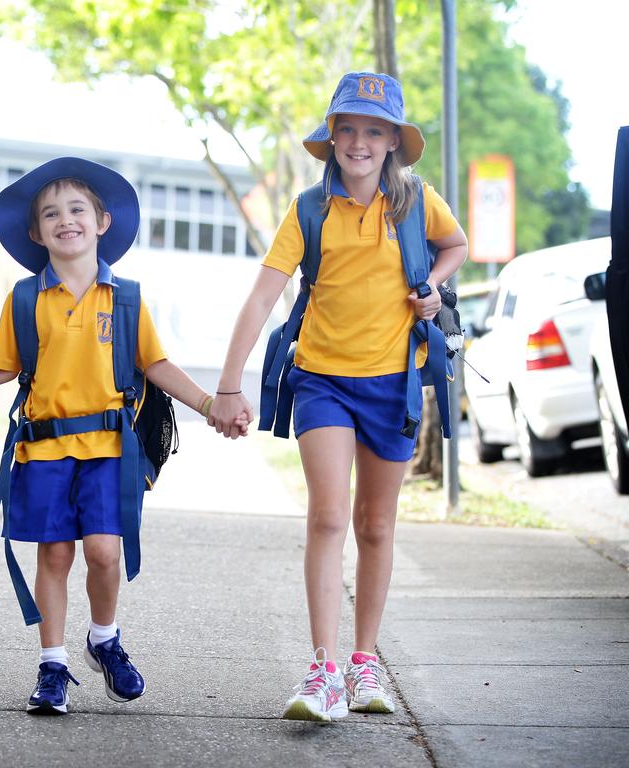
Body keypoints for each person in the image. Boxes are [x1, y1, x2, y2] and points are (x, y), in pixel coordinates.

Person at [0, 157, 239, 715]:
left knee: (105, 554)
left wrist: (209, 405)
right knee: (54, 556)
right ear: (36, 233)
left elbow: (155, 365)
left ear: (102, 221)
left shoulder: (125, 298)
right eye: (51, 214)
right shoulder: (27, 298)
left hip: (109, 450)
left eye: (77, 209)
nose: (65, 220)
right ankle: (52, 664)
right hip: (43, 450)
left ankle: (103, 638)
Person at [209, 72, 468, 721]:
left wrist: (431, 286)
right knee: (328, 516)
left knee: (376, 525)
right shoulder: (308, 211)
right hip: (321, 380)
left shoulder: (415, 202)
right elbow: (264, 295)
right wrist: (228, 382)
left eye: (373, 131)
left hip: (393, 384)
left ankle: (363, 662)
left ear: (392, 144)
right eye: (346, 128)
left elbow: (457, 244)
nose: (358, 141)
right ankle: (322, 669)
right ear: (332, 138)